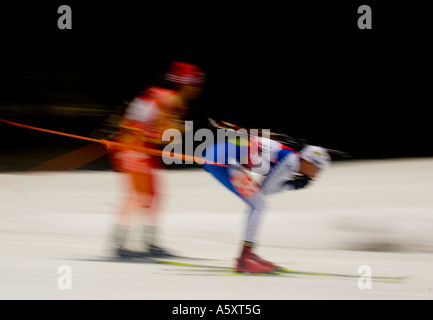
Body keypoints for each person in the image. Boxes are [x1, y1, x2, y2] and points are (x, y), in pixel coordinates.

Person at [109, 62, 205, 258]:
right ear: (183, 84)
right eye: (194, 84)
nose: (198, 89)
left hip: (140, 147)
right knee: (139, 196)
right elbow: (158, 134)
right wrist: (178, 131)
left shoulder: (162, 95)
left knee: (153, 196)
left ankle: (148, 243)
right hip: (133, 148)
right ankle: (120, 244)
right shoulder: (172, 100)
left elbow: (150, 126)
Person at [201, 130, 331, 273]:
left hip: (219, 155)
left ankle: (247, 253)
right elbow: (266, 190)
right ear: (309, 161)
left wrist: (290, 183)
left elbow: (263, 187)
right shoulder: (290, 162)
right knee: (258, 204)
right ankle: (245, 257)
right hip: (223, 160)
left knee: (257, 202)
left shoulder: (288, 156)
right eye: (318, 169)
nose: (317, 175)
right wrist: (291, 185)